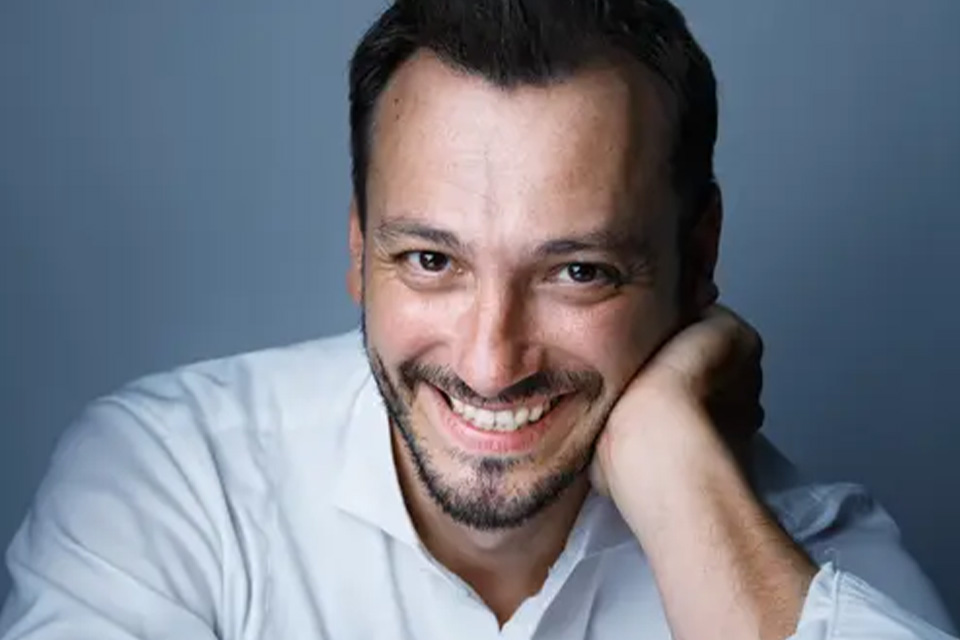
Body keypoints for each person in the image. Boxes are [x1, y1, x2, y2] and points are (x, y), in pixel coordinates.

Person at [0, 0, 956, 638]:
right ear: (358, 247)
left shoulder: (806, 560)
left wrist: (671, 467)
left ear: (698, 259)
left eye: (579, 272)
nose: (492, 363)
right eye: (431, 261)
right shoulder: (168, 486)